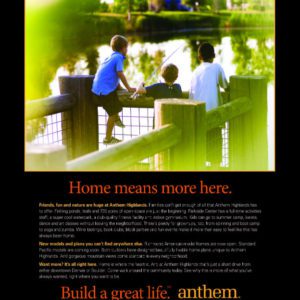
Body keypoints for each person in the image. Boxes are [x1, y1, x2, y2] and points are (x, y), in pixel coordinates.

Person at [189, 42, 229, 168]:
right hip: (214, 115)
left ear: (199, 57)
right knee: (215, 153)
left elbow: (191, 95)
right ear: (214, 55)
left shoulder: (195, 72)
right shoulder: (217, 67)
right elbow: (226, 86)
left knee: (200, 151)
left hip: (199, 116)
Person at [92, 35, 136, 145]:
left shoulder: (111, 57)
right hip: (104, 92)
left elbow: (111, 76)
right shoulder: (118, 58)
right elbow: (119, 73)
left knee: (114, 107)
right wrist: (128, 88)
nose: (127, 50)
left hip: (97, 90)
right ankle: (108, 139)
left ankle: (116, 119)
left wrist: (120, 88)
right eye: (126, 48)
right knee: (112, 113)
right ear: (123, 48)